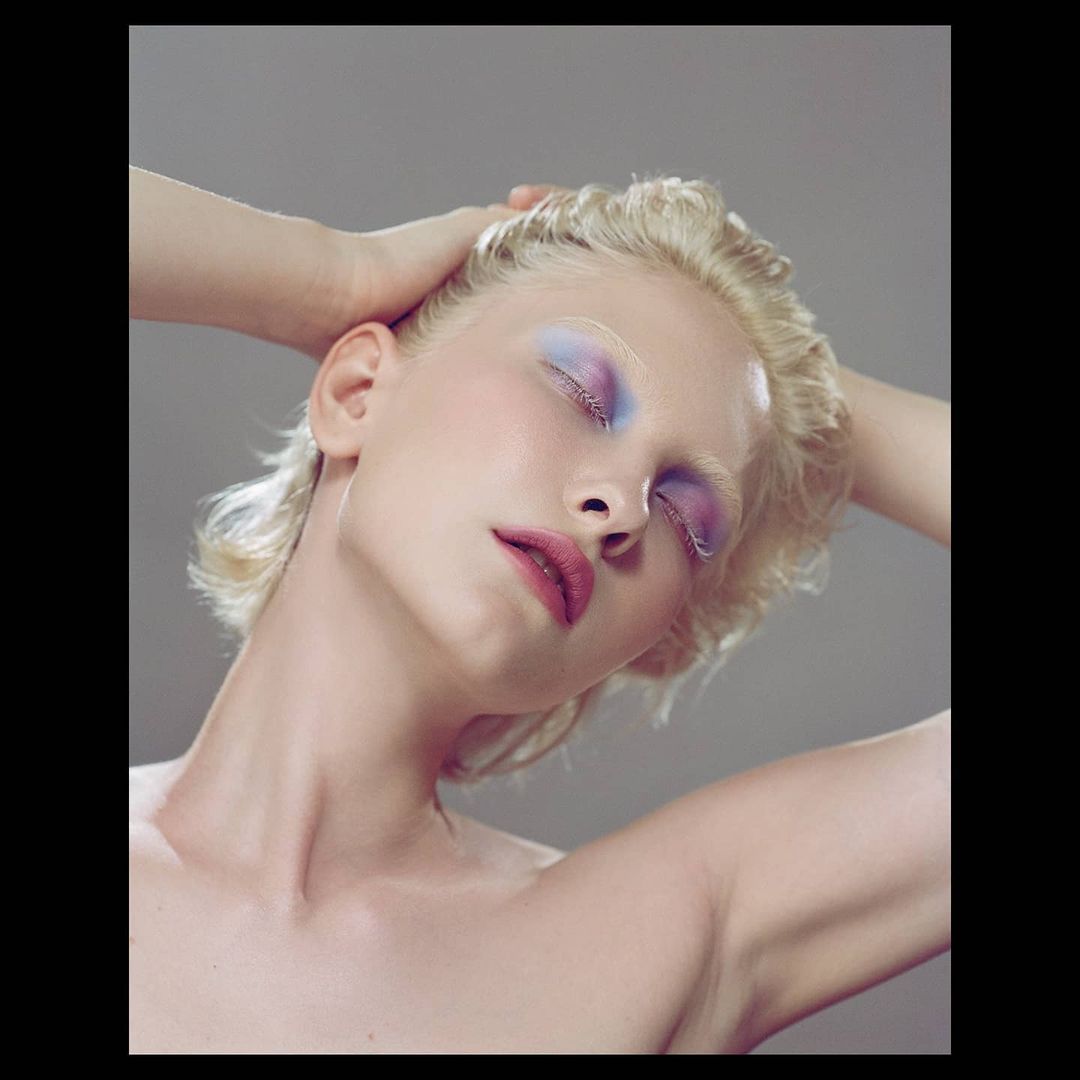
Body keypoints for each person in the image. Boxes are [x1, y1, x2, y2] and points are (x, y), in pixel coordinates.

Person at [129, 165, 950, 1054]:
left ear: (654, 637)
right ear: (358, 393)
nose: (623, 506)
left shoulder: (647, 949)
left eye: (685, 515)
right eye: (581, 395)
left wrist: (800, 400)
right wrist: (331, 276)